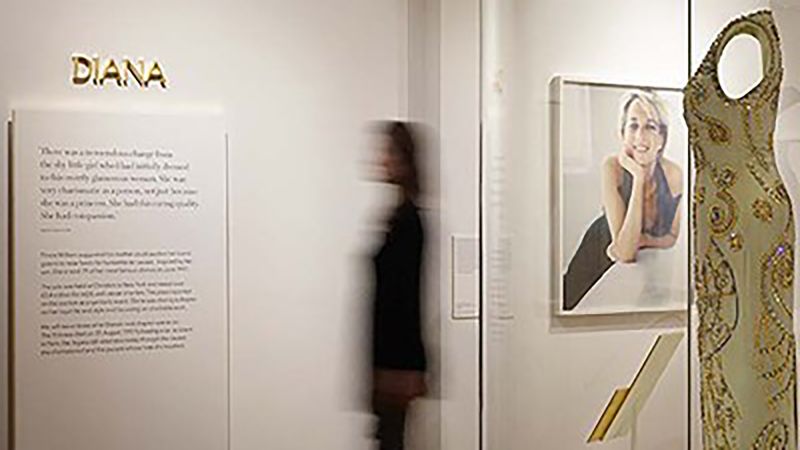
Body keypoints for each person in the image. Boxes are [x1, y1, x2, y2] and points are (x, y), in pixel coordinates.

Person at [563, 90, 683, 311]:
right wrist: (638, 178)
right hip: (592, 272)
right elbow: (626, 253)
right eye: (633, 126)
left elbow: (672, 237)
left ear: (662, 138)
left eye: (650, 127)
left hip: (631, 284)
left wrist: (643, 240)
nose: (640, 136)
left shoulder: (674, 175)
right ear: (622, 134)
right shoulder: (612, 168)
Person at [370, 121, 427, 450]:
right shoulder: (398, 217)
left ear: (404, 159)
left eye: (388, 152)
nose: (381, 159)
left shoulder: (409, 221)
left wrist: (405, 369)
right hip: (388, 364)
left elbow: (407, 300)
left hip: (396, 366)